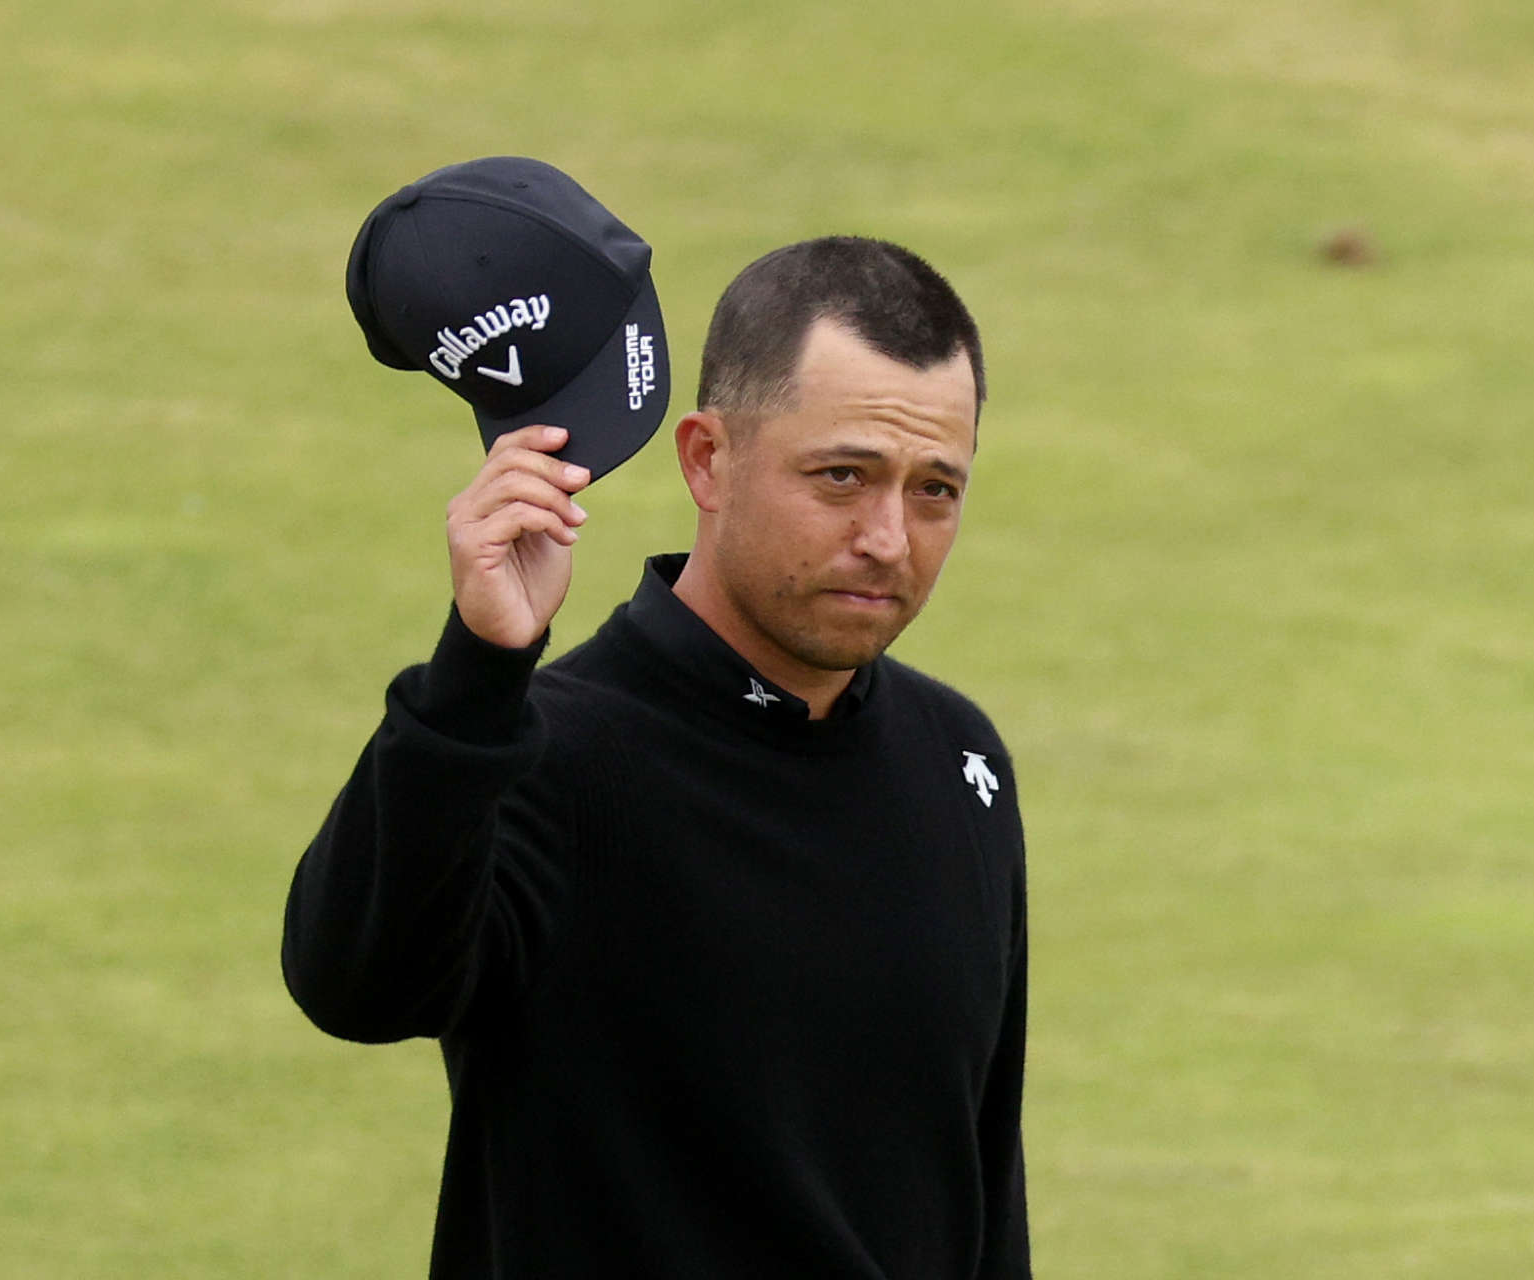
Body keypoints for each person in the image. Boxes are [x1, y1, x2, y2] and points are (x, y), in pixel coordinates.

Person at [282, 235, 1031, 1278]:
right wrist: (478, 670)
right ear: (708, 459)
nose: (888, 538)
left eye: (933, 490)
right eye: (843, 475)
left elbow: (982, 1195)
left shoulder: (960, 762)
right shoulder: (547, 752)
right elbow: (354, 985)